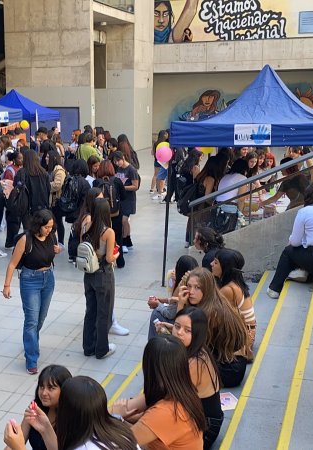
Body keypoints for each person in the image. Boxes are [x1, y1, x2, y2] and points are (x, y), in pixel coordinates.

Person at [109, 335, 205, 449]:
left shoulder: (166, 412)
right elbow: (119, 410)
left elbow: (120, 443)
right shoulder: (182, 392)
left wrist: (116, 417)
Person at [5, 376, 137, 450]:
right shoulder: (119, 428)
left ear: (68, 412)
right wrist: (46, 428)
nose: (44, 393)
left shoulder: (85, 447)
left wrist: (19, 448)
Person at [2, 209, 60, 374]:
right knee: (31, 321)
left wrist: (57, 250)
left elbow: (52, 251)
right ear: (38, 225)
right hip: (30, 280)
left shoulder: (51, 236)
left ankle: (30, 341)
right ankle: (31, 358)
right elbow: (12, 264)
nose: (50, 230)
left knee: (40, 318)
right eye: (47, 227)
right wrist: (7, 285)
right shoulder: (25, 239)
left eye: (51, 227)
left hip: (48, 278)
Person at [82, 199, 120, 359]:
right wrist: (117, 254)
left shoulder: (86, 225)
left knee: (90, 310)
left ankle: (88, 347)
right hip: (103, 274)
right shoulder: (108, 232)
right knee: (104, 312)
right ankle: (102, 349)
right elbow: (110, 258)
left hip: (88, 273)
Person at [3, 365, 72, 450]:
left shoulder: (71, 418)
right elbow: (19, 438)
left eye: (51, 388)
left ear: (64, 390)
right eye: (41, 387)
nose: (44, 393)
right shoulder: (35, 409)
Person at [211, 248, 257, 362]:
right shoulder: (236, 283)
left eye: (216, 262)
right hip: (248, 332)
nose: (211, 264)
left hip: (243, 338)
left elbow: (213, 315)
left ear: (225, 268)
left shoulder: (228, 290)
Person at [147, 255, 199, 339]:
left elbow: (171, 313)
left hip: (186, 322)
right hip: (187, 320)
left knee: (156, 314)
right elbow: (176, 301)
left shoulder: (182, 286)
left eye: (176, 267)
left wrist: (158, 304)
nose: (173, 270)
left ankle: (153, 345)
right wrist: (163, 300)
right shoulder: (194, 280)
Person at [15, 149, 50, 230]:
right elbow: (48, 189)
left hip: (27, 209)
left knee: (28, 233)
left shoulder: (22, 172)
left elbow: (16, 188)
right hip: (43, 207)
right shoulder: (44, 172)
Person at [111, 151, 139, 253]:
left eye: (118, 161)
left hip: (129, 199)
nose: (117, 163)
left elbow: (135, 186)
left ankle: (124, 240)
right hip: (120, 199)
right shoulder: (118, 169)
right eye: (115, 162)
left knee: (124, 220)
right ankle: (127, 239)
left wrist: (123, 187)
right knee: (122, 220)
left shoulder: (131, 170)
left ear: (123, 158)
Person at [46, 150, 67, 247]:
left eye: (47, 157)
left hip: (57, 201)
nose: (46, 159)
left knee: (57, 222)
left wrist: (45, 185)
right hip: (52, 201)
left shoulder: (59, 170)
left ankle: (60, 242)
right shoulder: (51, 169)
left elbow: (57, 185)